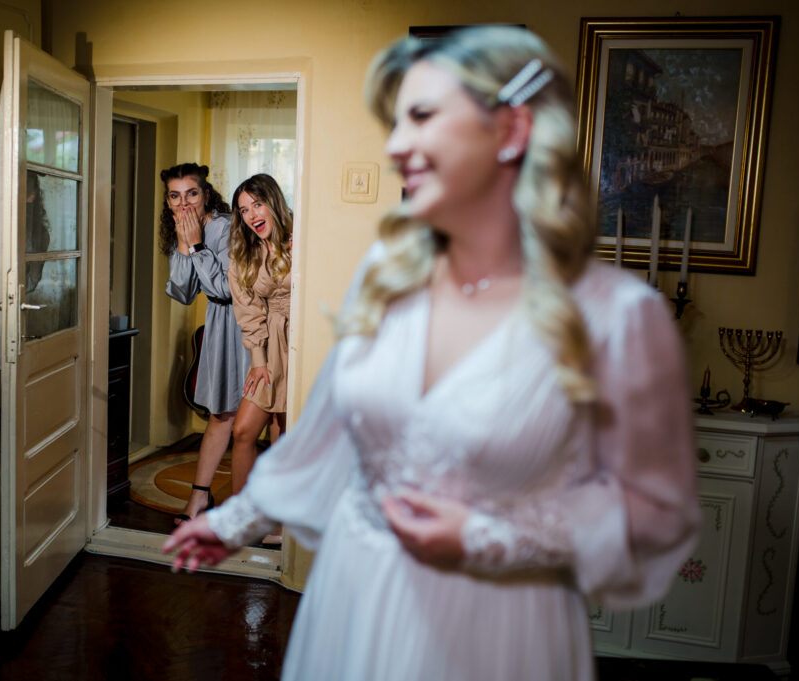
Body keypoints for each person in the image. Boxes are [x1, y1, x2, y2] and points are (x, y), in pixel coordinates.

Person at [164, 26, 700, 681]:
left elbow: (654, 512)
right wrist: (235, 520)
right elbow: (329, 429)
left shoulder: (616, 315)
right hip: (354, 600)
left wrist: (485, 536)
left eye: (424, 117)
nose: (396, 146)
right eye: (398, 121)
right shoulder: (387, 273)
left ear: (512, 129)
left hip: (492, 622)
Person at [161, 162, 251, 525]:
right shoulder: (184, 232)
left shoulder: (226, 228)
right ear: (168, 202)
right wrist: (185, 245)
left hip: (245, 324)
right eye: (175, 196)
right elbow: (183, 293)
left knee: (251, 420)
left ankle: (256, 507)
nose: (183, 204)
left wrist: (196, 244)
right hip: (219, 327)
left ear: (206, 194)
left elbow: (225, 290)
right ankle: (200, 497)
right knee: (221, 414)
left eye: (192, 194)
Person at [226, 174, 292, 501]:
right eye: (244, 210)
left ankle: (281, 519)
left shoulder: (303, 237)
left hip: (304, 340)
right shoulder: (245, 254)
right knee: (242, 431)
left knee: (286, 435)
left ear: (273, 203)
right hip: (271, 343)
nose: (252, 215)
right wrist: (258, 360)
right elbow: (248, 310)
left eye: (257, 204)